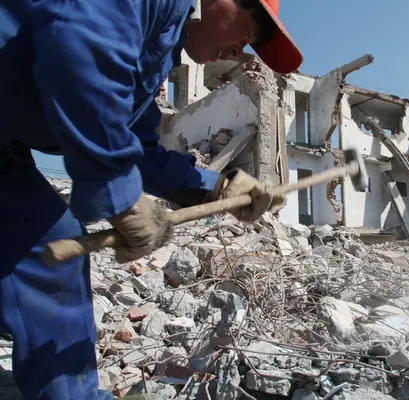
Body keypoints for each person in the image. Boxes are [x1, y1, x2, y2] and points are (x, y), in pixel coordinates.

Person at [0, 0, 303, 398]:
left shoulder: (159, 48)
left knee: (46, 255)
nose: (238, 53)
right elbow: (78, 48)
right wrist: (119, 194)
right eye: (246, 35)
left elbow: (139, 148)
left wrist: (215, 187)